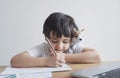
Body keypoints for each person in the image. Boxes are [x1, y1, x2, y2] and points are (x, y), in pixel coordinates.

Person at [10, 12, 101, 68]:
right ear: (46, 38)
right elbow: (15, 60)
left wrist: (63, 57)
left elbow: (97, 57)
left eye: (65, 41)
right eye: (54, 41)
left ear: (72, 39)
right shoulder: (43, 48)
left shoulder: (73, 47)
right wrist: (47, 61)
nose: (60, 46)